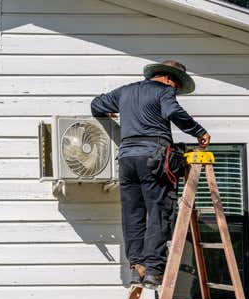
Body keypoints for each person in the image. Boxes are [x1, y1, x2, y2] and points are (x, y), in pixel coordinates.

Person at [90, 60, 211, 287]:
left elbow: (96, 104)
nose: (174, 91)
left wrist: (111, 112)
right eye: (176, 87)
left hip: (126, 159)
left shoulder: (125, 91)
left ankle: (138, 267)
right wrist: (198, 131)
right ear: (169, 79)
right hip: (154, 158)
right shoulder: (164, 91)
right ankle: (154, 270)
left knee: (132, 213)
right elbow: (173, 111)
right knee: (158, 211)